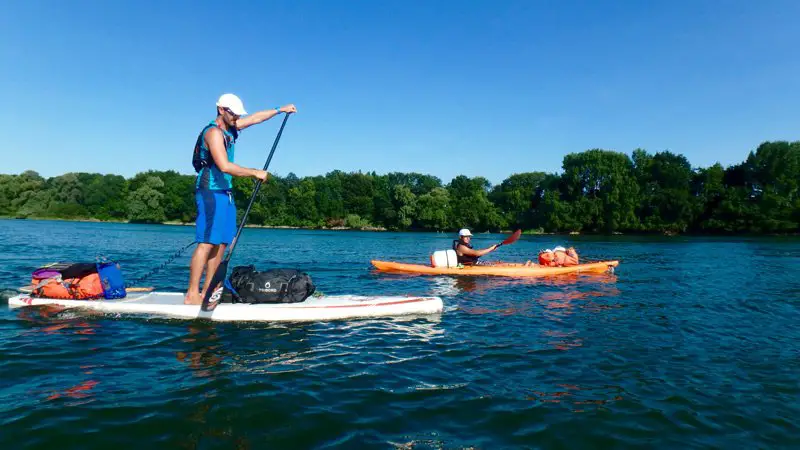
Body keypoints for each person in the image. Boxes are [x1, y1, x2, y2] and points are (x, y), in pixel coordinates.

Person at [184, 93, 297, 305]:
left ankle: (210, 290)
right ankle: (192, 294)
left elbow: (255, 118)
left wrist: (281, 109)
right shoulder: (213, 133)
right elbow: (224, 166)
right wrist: (255, 172)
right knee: (207, 243)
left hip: (225, 193)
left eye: (238, 114)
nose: (237, 118)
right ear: (221, 110)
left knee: (222, 244)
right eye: (234, 114)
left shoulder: (231, 127)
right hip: (210, 191)